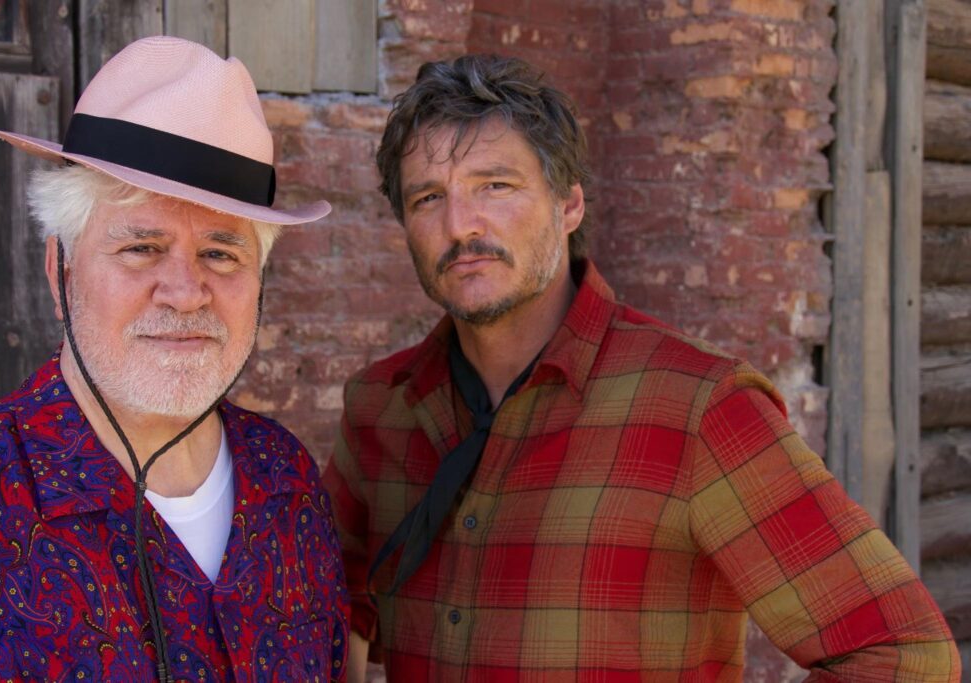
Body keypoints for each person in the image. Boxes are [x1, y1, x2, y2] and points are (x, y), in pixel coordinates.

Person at [322, 55, 960, 681]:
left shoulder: (700, 407)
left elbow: (904, 655)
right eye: (429, 197)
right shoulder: (381, 406)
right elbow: (330, 605)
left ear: (569, 206)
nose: (461, 225)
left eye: (496, 185)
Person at [0, 36, 347, 682]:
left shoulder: (290, 483)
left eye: (222, 253)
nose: (186, 293)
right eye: (141, 247)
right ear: (60, 272)